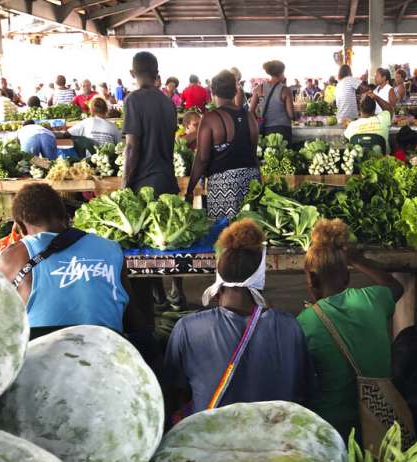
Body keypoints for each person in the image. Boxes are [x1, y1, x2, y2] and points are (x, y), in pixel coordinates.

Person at [165, 219, 313, 417]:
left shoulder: (187, 329)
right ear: (260, 282)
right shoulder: (289, 326)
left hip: (212, 441)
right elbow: (302, 389)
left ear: (218, 285)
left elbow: (174, 390)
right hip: (275, 440)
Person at [297, 218, 404, 438]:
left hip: (331, 432)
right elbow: (394, 286)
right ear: (347, 277)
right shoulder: (372, 299)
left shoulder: (304, 323)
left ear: (312, 280)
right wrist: (357, 260)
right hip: (379, 425)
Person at [0, 183, 130, 334]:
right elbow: (132, 317)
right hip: (107, 351)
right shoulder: (111, 249)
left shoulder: (10, 258)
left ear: (21, 227)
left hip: (42, 354)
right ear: (66, 217)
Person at [190, 70, 260, 221]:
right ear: (235, 91)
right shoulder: (249, 116)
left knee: (224, 235)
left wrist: (190, 190)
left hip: (224, 185)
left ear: (212, 91)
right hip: (252, 181)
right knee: (249, 231)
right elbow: (253, 152)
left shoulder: (210, 118)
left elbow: (202, 158)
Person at [122, 51, 178, 197]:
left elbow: (131, 147)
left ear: (132, 73)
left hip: (145, 186)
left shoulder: (133, 100)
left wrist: (124, 185)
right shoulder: (168, 102)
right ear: (156, 73)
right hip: (168, 182)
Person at [249, 60, 294, 142]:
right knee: (285, 154)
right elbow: (291, 115)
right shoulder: (285, 90)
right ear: (281, 73)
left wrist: (259, 118)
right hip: (283, 129)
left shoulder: (258, 88)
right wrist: (298, 115)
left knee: (269, 154)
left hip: (265, 129)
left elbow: (250, 111)